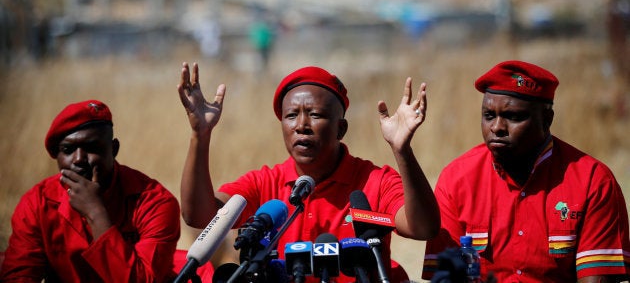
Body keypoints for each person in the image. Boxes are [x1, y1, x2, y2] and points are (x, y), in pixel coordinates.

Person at [177, 62, 440, 282]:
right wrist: (200, 135)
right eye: (291, 115)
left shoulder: (375, 180)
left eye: (315, 114)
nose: (302, 125)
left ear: (341, 129)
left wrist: (402, 150)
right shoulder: (264, 182)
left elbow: (422, 228)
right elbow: (200, 216)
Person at [422, 60, 630, 283]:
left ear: (547, 120)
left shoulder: (593, 181)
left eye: (513, 116)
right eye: (489, 115)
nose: (497, 127)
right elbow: (446, 278)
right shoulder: (456, 180)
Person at [0, 99, 181, 283]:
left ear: (114, 149)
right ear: (57, 156)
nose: (79, 159)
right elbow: (19, 275)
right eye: (68, 149)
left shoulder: (154, 201)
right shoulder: (38, 203)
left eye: (92, 147)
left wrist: (96, 213)